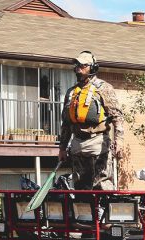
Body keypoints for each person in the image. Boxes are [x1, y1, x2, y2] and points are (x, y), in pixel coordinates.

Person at [59, 51, 124, 191]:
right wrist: (62, 148)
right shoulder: (71, 92)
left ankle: (103, 212)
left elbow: (117, 116)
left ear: (93, 67)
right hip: (77, 145)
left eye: (83, 66)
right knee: (80, 187)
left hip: (98, 143)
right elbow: (66, 123)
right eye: (77, 66)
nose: (78, 69)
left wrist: (119, 140)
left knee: (101, 185)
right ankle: (83, 213)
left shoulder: (103, 88)